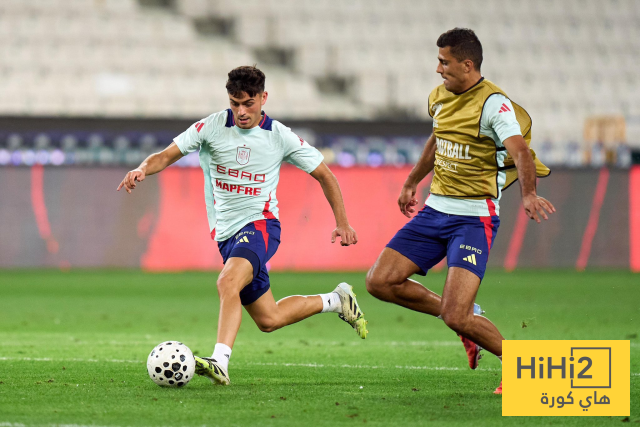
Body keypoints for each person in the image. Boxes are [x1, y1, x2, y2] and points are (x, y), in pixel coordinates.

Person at [117, 66, 368, 385]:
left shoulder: (279, 135)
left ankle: (219, 361)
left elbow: (324, 174)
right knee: (269, 319)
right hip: (227, 236)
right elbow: (165, 156)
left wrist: (343, 223)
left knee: (227, 282)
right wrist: (142, 168)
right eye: (235, 103)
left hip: (261, 226)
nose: (241, 111)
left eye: (248, 103)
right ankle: (337, 300)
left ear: (263, 98)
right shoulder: (211, 126)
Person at [365, 28, 554, 395]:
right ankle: (469, 317)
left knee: (456, 315)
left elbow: (520, 151)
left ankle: (519, 365)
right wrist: (412, 181)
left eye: (444, 62)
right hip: (435, 210)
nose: (438, 69)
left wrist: (529, 193)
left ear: (467, 65)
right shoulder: (439, 96)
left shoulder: (493, 104)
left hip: (473, 218)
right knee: (380, 282)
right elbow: (437, 139)